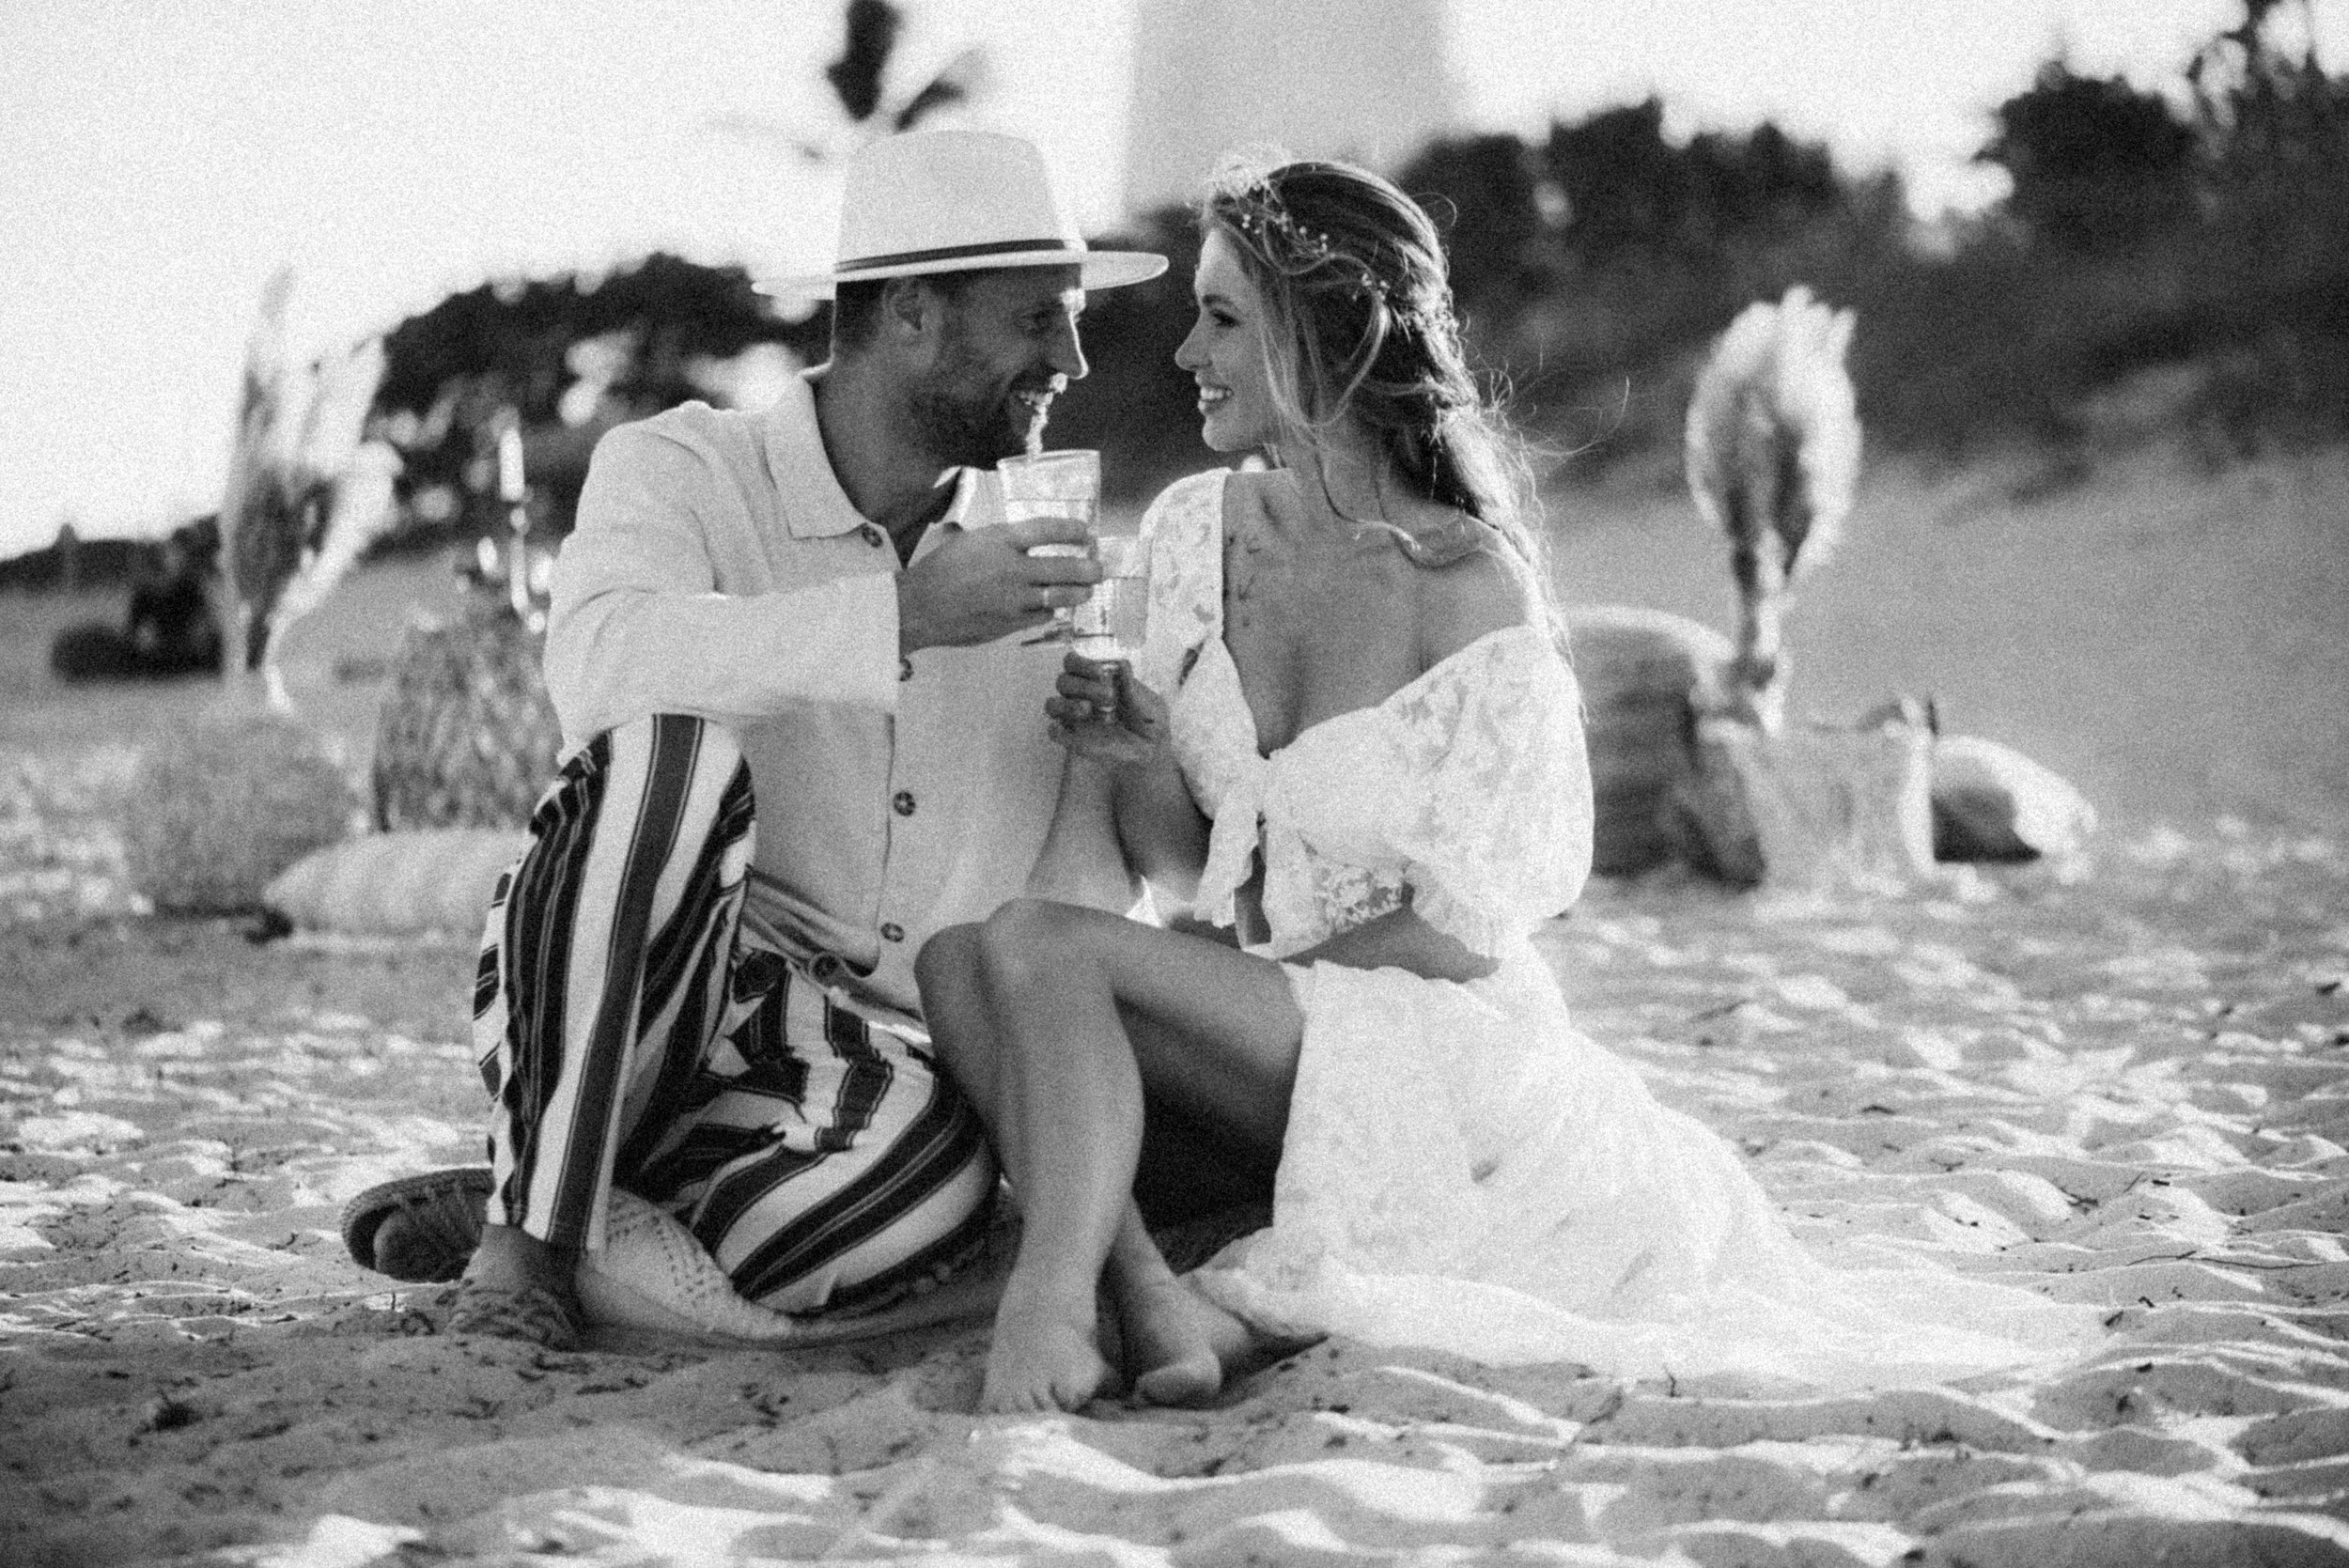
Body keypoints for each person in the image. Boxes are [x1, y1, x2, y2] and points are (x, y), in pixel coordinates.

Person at [916, 155, 2098, 1414]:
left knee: (1038, 944)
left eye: (1221, 319)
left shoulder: (1467, 585)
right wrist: (1140, 753)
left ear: (1325, 337)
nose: (1185, 354)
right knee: (958, 962)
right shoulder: (1190, 532)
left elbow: (1473, 929)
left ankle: (1051, 1310)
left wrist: (1250, 976)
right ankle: (1147, 1289)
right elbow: (1175, 860)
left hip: (1433, 1036)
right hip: (1269, 1024)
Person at [339, 130, 1172, 1351]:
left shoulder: (1051, 559)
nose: (1073, 360)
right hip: (660, 998)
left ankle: (566, 1189)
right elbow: (598, 670)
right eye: (1039, 320)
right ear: (912, 315)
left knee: (913, 1207)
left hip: (877, 1079)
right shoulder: (681, 469)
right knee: (666, 758)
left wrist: (1121, 761)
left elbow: (1091, 896)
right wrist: (901, 618)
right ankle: (525, 1245)